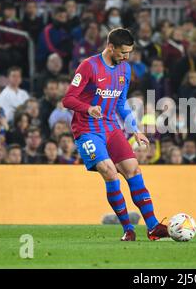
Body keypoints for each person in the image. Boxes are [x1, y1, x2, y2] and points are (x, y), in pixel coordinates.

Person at [62, 28, 169, 241]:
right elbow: (68, 99)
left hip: (112, 128)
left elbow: (120, 103)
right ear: (111, 47)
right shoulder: (88, 66)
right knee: (110, 172)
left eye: (129, 52)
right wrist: (87, 108)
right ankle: (128, 229)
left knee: (133, 170)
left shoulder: (125, 69)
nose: (126, 57)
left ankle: (153, 227)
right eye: (123, 52)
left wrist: (135, 130)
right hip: (88, 129)